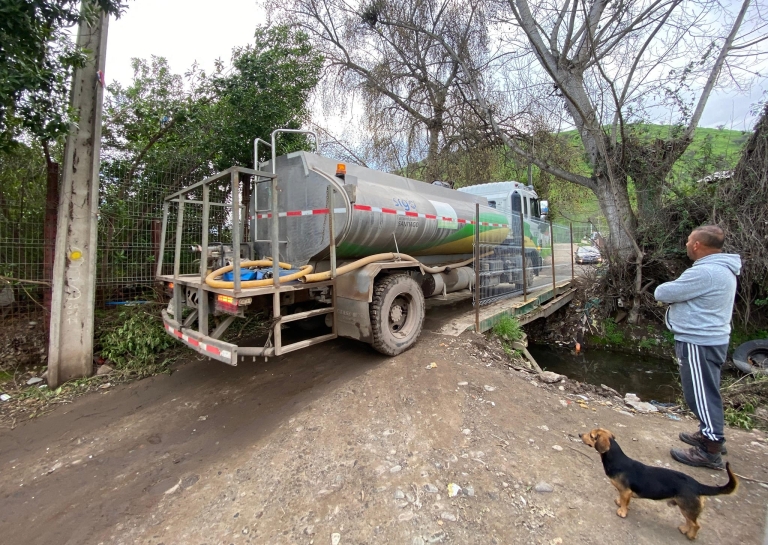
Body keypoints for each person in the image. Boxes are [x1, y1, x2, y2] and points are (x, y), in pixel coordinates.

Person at [654, 225, 741, 470]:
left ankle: (710, 450)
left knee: (700, 394)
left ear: (696, 245)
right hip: (709, 339)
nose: (685, 245)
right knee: (706, 391)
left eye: (688, 240)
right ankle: (709, 434)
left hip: (698, 341)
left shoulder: (707, 272)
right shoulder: (721, 268)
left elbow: (662, 292)